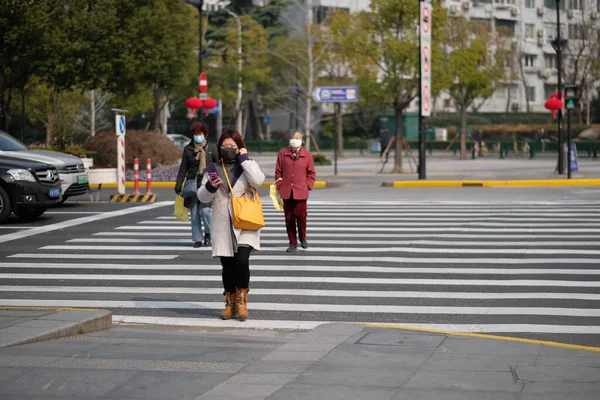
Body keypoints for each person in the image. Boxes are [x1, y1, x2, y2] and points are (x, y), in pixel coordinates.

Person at [198, 129, 265, 321]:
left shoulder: (248, 165)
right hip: (222, 220)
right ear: (219, 148)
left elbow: (258, 181)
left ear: (239, 147)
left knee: (242, 261)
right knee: (227, 264)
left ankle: (242, 302)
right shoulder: (212, 168)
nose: (228, 149)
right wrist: (210, 187)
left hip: (245, 219)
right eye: (224, 146)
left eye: (232, 146)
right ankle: (230, 303)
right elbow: (202, 196)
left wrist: (245, 160)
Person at [174, 121, 218, 248]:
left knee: (205, 211)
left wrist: (216, 183)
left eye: (200, 133)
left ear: (205, 134)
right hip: (192, 184)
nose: (198, 136)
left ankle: (209, 233)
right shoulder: (188, 149)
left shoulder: (212, 147)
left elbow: (217, 166)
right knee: (194, 213)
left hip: (208, 184)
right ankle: (197, 239)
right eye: (195, 133)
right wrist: (178, 184)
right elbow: (183, 168)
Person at [275, 129, 316, 252]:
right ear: (290, 140)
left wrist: (308, 185)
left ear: (302, 140)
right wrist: (280, 184)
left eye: (298, 138)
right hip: (287, 190)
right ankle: (292, 242)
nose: (295, 140)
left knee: (301, 216)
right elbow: (278, 171)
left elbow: (311, 173)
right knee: (289, 217)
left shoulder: (307, 155)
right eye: (294, 137)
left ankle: (302, 238)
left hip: (301, 191)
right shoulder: (283, 153)